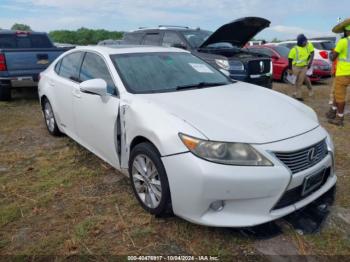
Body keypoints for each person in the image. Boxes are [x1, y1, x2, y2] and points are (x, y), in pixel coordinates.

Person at [326, 21, 350, 127]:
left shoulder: (343, 41)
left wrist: (331, 53)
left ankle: (339, 118)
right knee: (336, 93)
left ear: (346, 31)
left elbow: (333, 57)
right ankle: (333, 112)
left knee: (340, 96)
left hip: (343, 73)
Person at [287, 34, 315, 101]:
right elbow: (290, 59)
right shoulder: (294, 49)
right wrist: (290, 69)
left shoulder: (307, 47)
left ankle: (298, 96)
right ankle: (295, 93)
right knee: (293, 81)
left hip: (304, 67)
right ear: (300, 41)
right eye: (304, 41)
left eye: (306, 41)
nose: (306, 43)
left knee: (300, 81)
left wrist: (309, 62)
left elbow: (311, 54)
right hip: (295, 67)